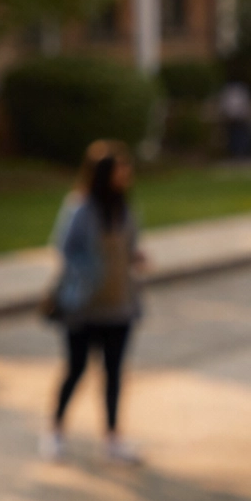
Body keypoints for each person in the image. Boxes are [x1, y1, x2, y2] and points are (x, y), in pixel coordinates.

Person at [41, 140, 147, 463]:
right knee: (76, 369)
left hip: (119, 306)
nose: (125, 176)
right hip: (84, 306)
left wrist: (134, 257)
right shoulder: (81, 207)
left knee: (114, 374)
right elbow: (64, 248)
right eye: (120, 171)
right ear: (104, 175)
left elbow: (129, 246)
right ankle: (55, 430)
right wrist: (88, 271)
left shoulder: (125, 208)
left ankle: (112, 437)